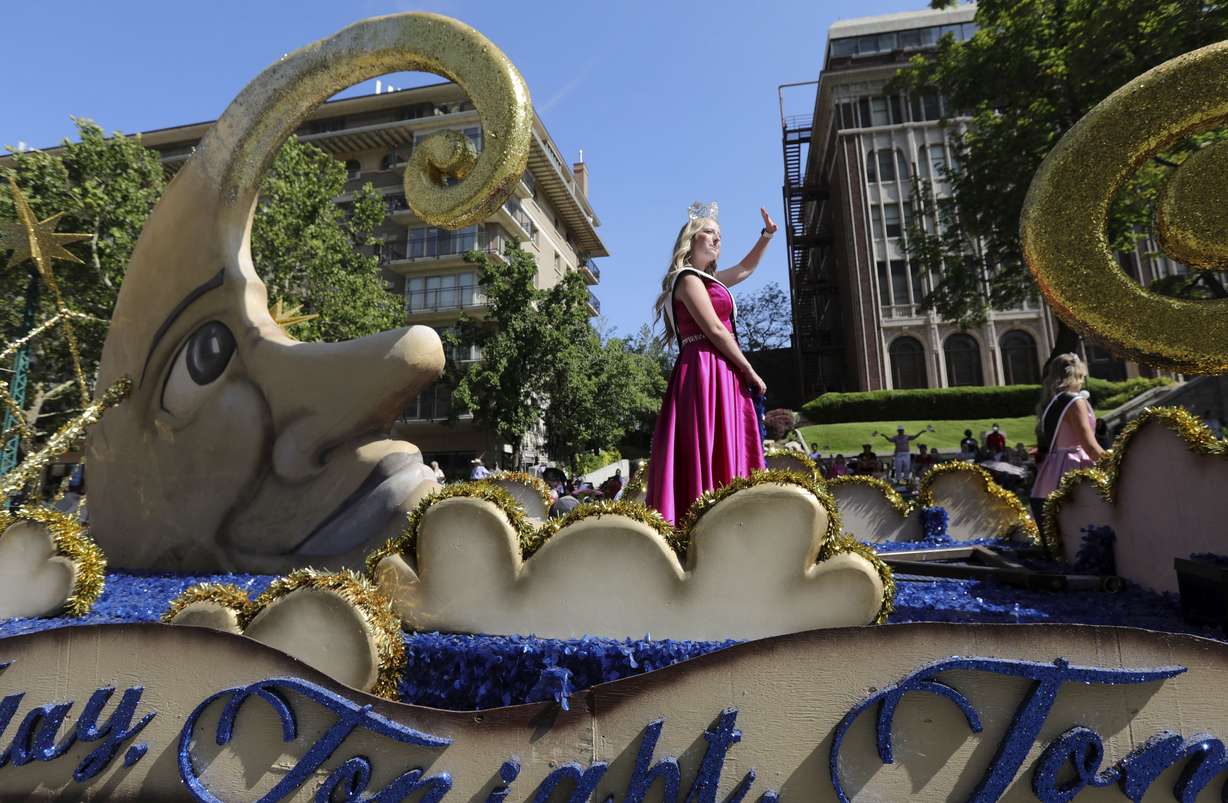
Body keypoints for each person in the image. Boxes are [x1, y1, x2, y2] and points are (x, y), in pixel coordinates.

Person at [644, 202, 776, 525]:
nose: (717, 239)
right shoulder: (687, 279)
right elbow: (716, 329)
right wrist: (749, 368)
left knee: (725, 448)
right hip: (705, 369)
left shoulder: (709, 280)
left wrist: (766, 236)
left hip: (721, 370)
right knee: (706, 446)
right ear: (691, 239)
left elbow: (744, 269)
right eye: (709, 232)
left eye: (720, 235)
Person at [1030, 353, 1106, 521]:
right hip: (1074, 465)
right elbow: (1090, 447)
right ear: (1078, 375)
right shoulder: (1074, 401)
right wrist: (1114, 463)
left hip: (1052, 468)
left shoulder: (1052, 402)